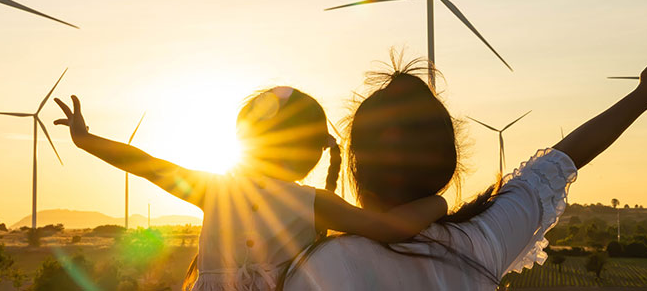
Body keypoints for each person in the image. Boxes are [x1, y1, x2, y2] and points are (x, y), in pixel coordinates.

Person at [280, 45, 647, 290]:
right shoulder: (481, 239)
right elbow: (564, 158)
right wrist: (643, 94)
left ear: (356, 164)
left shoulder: (321, 267)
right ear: (447, 162)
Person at [53, 86, 448, 291]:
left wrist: (86, 140)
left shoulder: (214, 190)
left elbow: (146, 166)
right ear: (311, 152)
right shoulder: (314, 203)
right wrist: (437, 202)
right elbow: (391, 228)